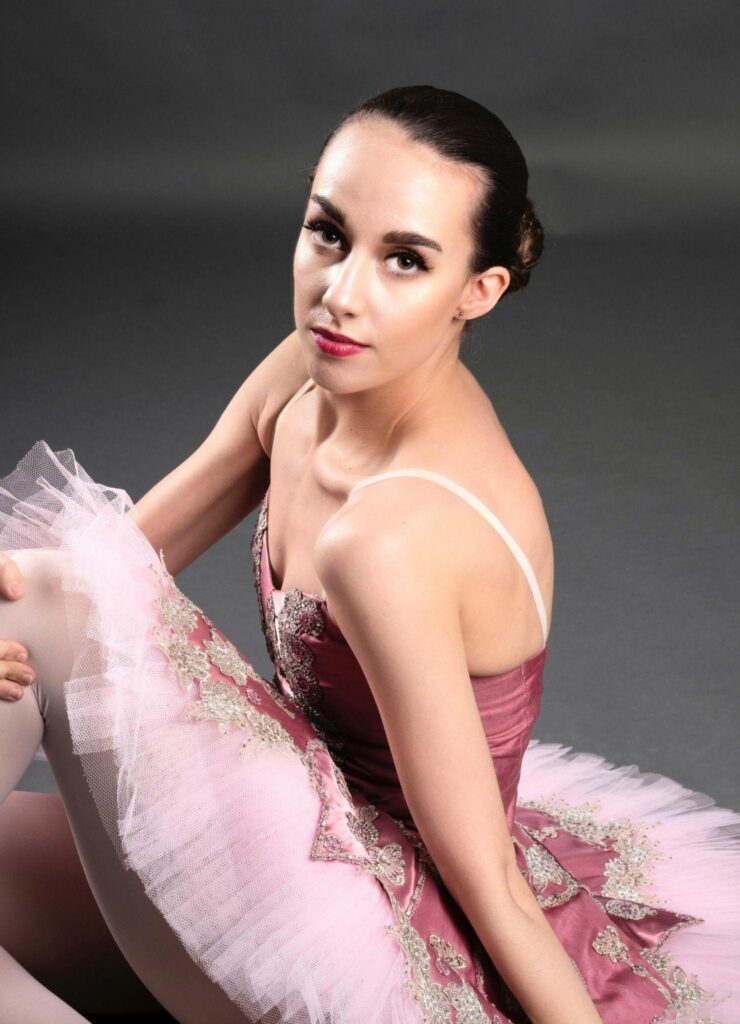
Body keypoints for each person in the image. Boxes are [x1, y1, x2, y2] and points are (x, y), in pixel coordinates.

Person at [0, 84, 737, 1024]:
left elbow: (486, 883)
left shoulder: (391, 539)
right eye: (328, 234)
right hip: (299, 821)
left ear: (479, 290)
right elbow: (120, 559)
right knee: (35, 591)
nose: (341, 294)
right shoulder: (305, 377)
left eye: (405, 261)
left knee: (39, 595)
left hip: (375, 943)